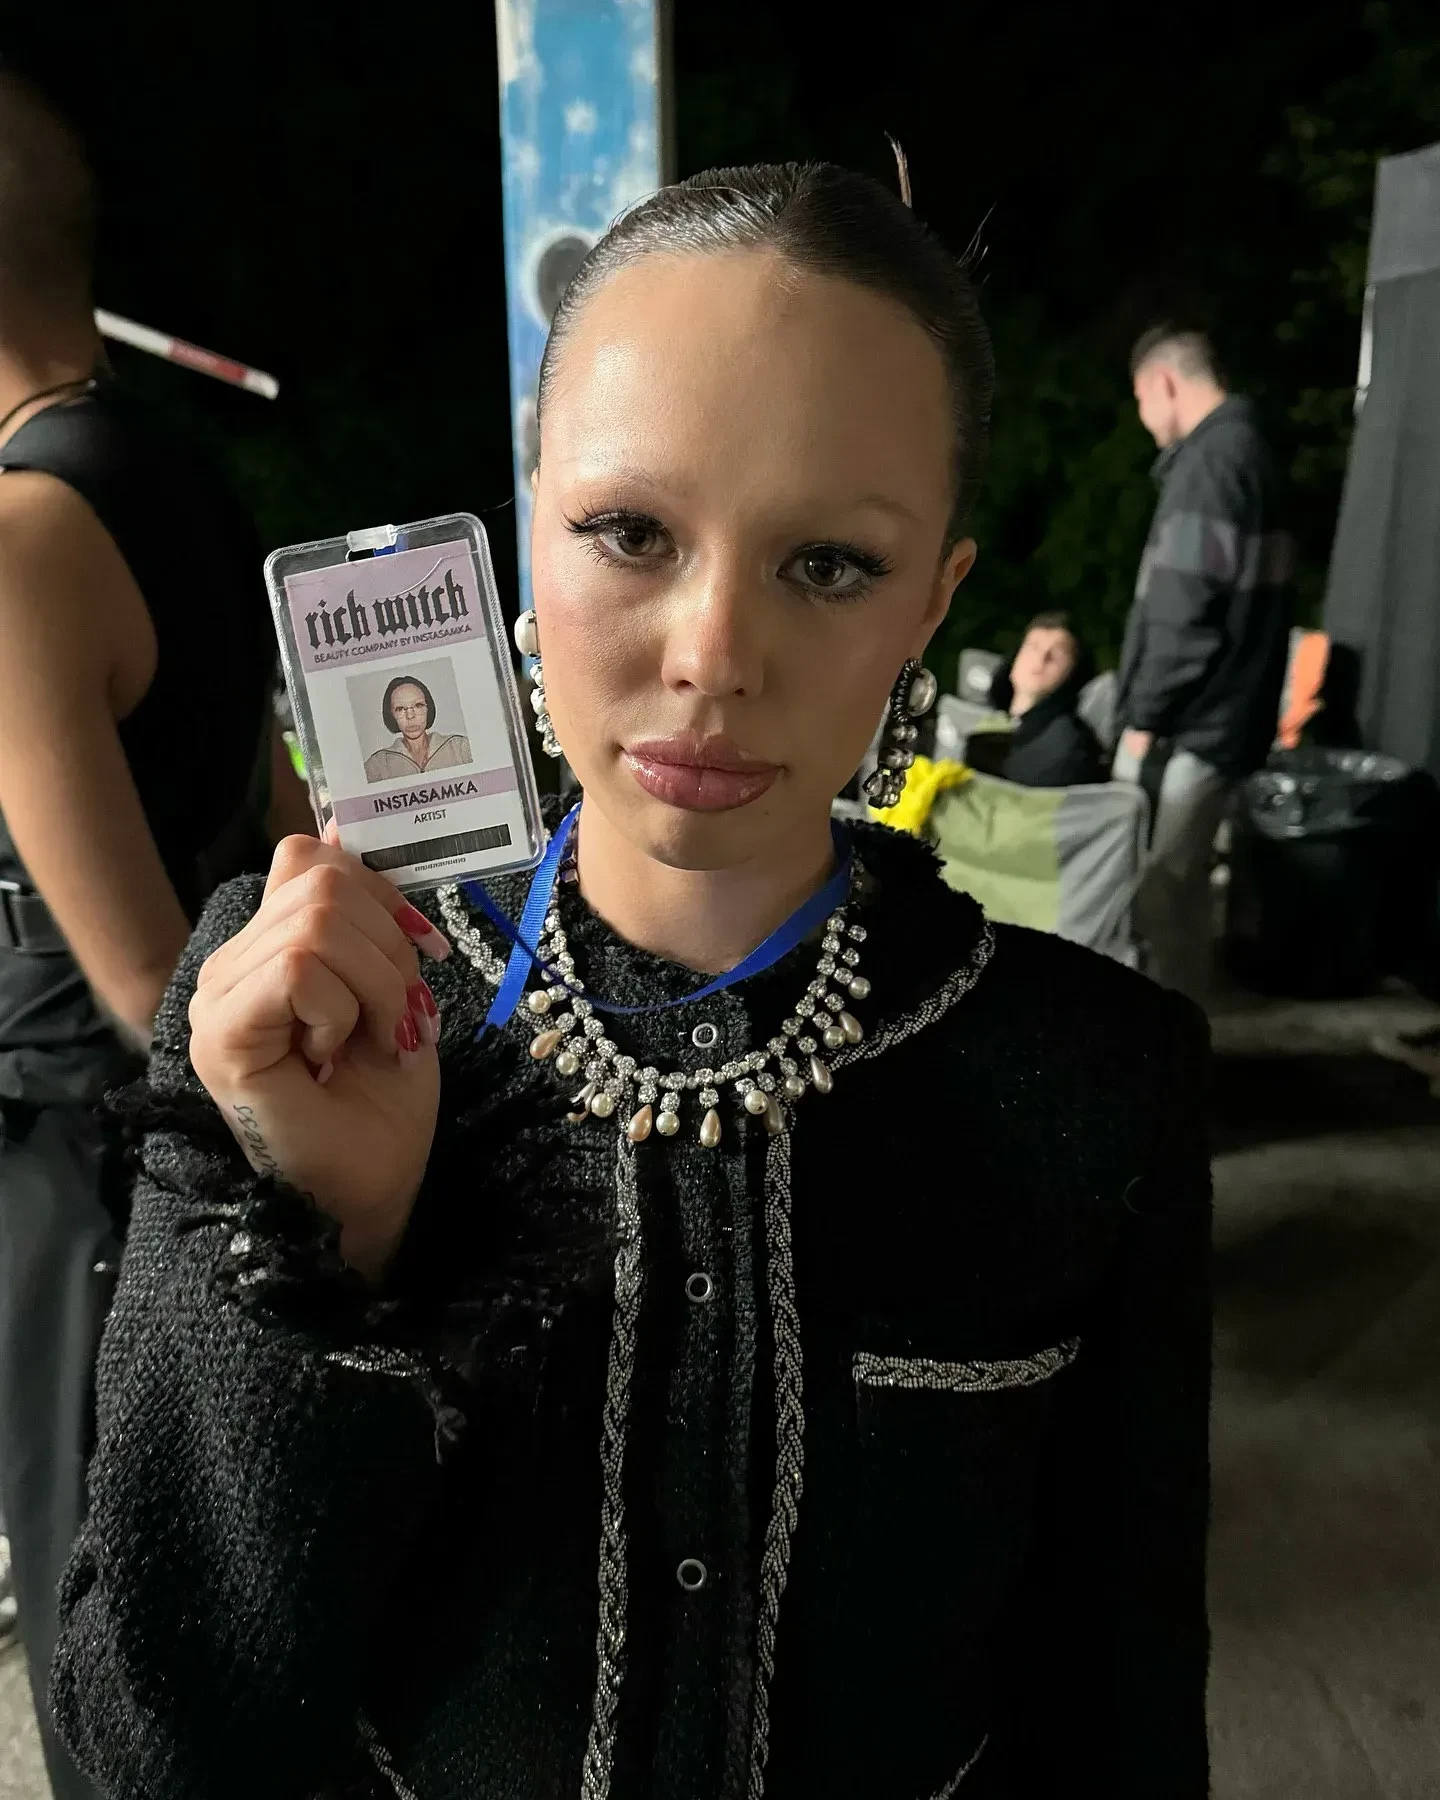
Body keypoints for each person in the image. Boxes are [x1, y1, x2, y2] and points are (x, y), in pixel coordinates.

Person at [53, 162, 1212, 1799]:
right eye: (631, 534)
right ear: (531, 536)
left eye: (830, 563)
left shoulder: (1092, 1077)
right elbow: (145, 1753)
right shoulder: (292, 1013)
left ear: (935, 601)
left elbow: (1120, 1706)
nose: (711, 655)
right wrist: (326, 1243)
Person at [0, 70, 302, 1800]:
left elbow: (135, 979)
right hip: (228, 1143)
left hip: (92, 1171)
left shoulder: (21, 538)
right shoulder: (178, 478)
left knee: (105, 1641)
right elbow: (277, 823)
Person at [1115, 327, 1293, 1002]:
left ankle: (1166, 1039)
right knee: (1180, 890)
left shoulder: (1212, 464)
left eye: (1140, 400)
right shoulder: (1251, 452)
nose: (1143, 419)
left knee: (1159, 891)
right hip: (1226, 716)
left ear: (1163, 383)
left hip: (1195, 726)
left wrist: (1145, 716)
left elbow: (1184, 610)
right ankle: (1179, 1030)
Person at [968, 610, 1106, 786]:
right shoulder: (978, 723)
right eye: (1033, 647)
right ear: (1013, 660)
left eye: (1057, 653)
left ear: (1074, 672)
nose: (1042, 658)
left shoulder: (1067, 745)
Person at [364, 674, 473, 780]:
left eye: (418, 705)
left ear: (428, 708)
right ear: (391, 714)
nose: (410, 716)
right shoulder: (377, 765)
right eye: (400, 709)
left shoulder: (461, 749)